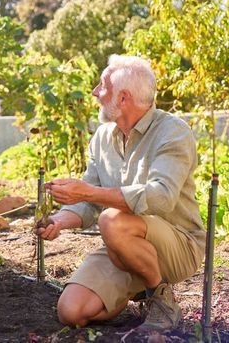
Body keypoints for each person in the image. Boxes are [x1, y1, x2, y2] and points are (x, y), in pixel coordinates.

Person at [36, 55, 205, 332]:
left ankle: (160, 298)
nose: (94, 93)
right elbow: (90, 201)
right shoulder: (103, 137)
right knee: (71, 312)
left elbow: (161, 197)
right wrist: (59, 220)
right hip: (123, 247)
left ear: (123, 98)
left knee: (112, 220)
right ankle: (134, 289)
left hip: (177, 244)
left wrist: (90, 191)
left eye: (102, 86)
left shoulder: (172, 132)